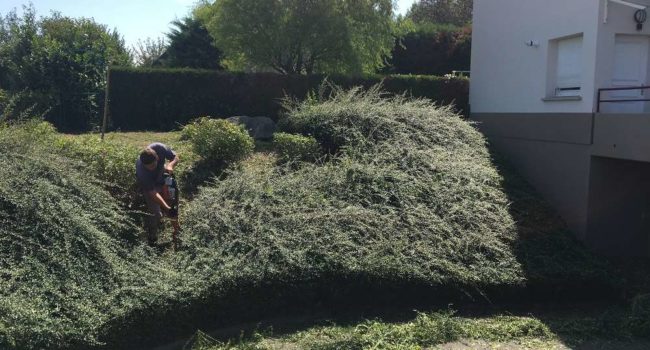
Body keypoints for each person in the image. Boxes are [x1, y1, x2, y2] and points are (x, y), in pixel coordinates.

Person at [135, 143, 179, 246]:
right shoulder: (142, 172)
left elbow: (175, 157)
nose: (151, 169)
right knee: (155, 213)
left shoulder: (160, 148)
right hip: (151, 187)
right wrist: (166, 207)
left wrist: (170, 165)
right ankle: (152, 239)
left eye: (153, 165)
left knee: (173, 204)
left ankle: (177, 231)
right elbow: (153, 193)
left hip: (163, 179)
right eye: (148, 167)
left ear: (157, 158)